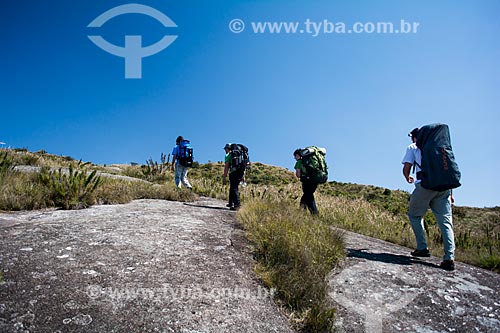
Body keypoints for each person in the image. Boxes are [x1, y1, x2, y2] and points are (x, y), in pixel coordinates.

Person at [402, 128, 456, 271]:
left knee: (415, 215)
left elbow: (406, 167)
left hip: (425, 186)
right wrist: (451, 194)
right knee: (446, 222)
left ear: (415, 137)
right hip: (443, 188)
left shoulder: (413, 147)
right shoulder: (441, 148)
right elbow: (447, 171)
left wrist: (407, 177)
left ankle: (422, 247)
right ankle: (449, 257)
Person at [294, 149, 319, 214]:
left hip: (307, 182)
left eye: (295, 156)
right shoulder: (310, 160)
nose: (294, 158)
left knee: (308, 197)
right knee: (308, 196)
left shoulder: (299, 162)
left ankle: (313, 213)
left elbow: (298, 175)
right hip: (315, 180)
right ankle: (304, 211)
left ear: (298, 155)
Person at [222, 143, 244, 210]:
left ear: (227, 149)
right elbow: (243, 166)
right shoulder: (240, 155)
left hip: (233, 172)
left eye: (225, 149)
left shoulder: (228, 155)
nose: (225, 150)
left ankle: (237, 205)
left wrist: (224, 177)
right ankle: (230, 203)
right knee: (233, 187)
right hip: (240, 172)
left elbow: (226, 167)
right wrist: (243, 176)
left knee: (234, 188)